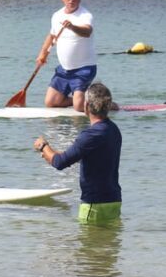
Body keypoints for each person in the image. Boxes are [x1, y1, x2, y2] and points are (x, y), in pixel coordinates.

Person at [33, 82, 122, 225]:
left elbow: (59, 162)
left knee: (89, 240)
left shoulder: (90, 135)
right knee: (109, 239)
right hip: (114, 201)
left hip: (94, 205)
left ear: (86, 106)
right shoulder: (113, 130)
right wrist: (53, 153)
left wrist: (43, 146)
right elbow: (90, 157)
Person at [36, 0, 97, 112]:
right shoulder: (57, 15)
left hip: (83, 69)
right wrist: (43, 54)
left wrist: (72, 27)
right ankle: (81, 100)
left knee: (79, 107)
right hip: (64, 70)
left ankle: (106, 104)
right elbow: (52, 35)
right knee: (50, 102)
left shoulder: (85, 15)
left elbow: (87, 32)